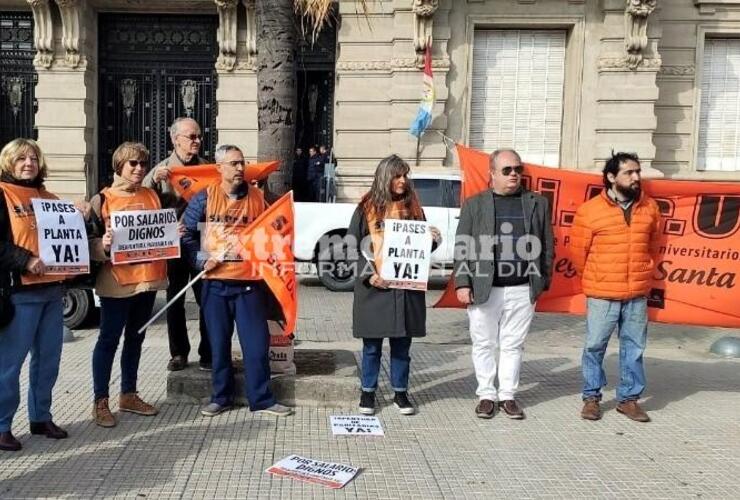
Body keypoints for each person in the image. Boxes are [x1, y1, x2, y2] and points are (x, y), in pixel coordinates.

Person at [182, 144, 293, 418]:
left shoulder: (258, 197)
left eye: (242, 163)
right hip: (214, 285)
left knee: (256, 347)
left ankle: (263, 399)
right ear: (219, 168)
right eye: (233, 164)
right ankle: (221, 398)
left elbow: (275, 231)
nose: (240, 168)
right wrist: (199, 260)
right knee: (218, 348)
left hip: (249, 286)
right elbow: (185, 236)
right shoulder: (204, 198)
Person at [453, 149, 554, 420]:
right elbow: (463, 246)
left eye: (518, 169)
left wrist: (542, 282)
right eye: (507, 170)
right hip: (485, 288)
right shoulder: (475, 205)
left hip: (523, 288)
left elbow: (547, 244)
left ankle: (508, 395)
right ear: (493, 173)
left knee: (513, 344)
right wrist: (462, 283)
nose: (514, 175)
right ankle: (486, 394)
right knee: (483, 343)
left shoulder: (537, 203)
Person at [570, 152, 662, 423]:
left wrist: (643, 272)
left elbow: (654, 245)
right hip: (602, 294)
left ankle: (629, 400)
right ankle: (591, 398)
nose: (636, 178)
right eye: (629, 173)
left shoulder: (650, 208)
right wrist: (596, 279)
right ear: (611, 177)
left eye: (637, 172)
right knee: (594, 346)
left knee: (634, 347)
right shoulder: (590, 211)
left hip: (636, 294)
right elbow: (578, 254)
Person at [348, 154, 441, 416]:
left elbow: (419, 249)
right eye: (397, 176)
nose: (403, 180)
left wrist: (432, 239)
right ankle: (368, 393)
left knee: (402, 346)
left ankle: (401, 393)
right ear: (385, 177)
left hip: (405, 289)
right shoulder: (365, 207)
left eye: (405, 175)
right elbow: (350, 247)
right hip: (375, 289)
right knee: (372, 347)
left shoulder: (414, 206)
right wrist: (368, 274)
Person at [88, 142, 168, 428]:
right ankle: (100, 401)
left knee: (136, 339)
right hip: (116, 283)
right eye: (132, 163)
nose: (138, 169)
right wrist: (103, 245)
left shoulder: (153, 195)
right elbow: (88, 243)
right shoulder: (102, 199)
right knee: (108, 340)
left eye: (143, 164)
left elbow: (163, 229)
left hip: (146, 282)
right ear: (119, 166)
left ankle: (129, 394)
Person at [0, 139, 69, 451]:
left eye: (33, 158)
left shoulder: (49, 198)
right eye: (20, 159)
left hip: (52, 291)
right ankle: (2, 425)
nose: (28, 163)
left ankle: (41, 417)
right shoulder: (2, 193)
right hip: (19, 292)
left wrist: (81, 218)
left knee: (48, 360)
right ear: (8, 163)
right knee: (9, 365)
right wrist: (25, 260)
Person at [143, 117, 211, 372]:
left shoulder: (207, 168)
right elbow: (139, 199)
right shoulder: (161, 170)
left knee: (207, 299)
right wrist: (152, 181)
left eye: (199, 136)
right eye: (191, 137)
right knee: (175, 300)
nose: (197, 141)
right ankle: (179, 353)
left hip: (201, 242)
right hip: (173, 244)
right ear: (175, 139)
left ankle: (209, 353)